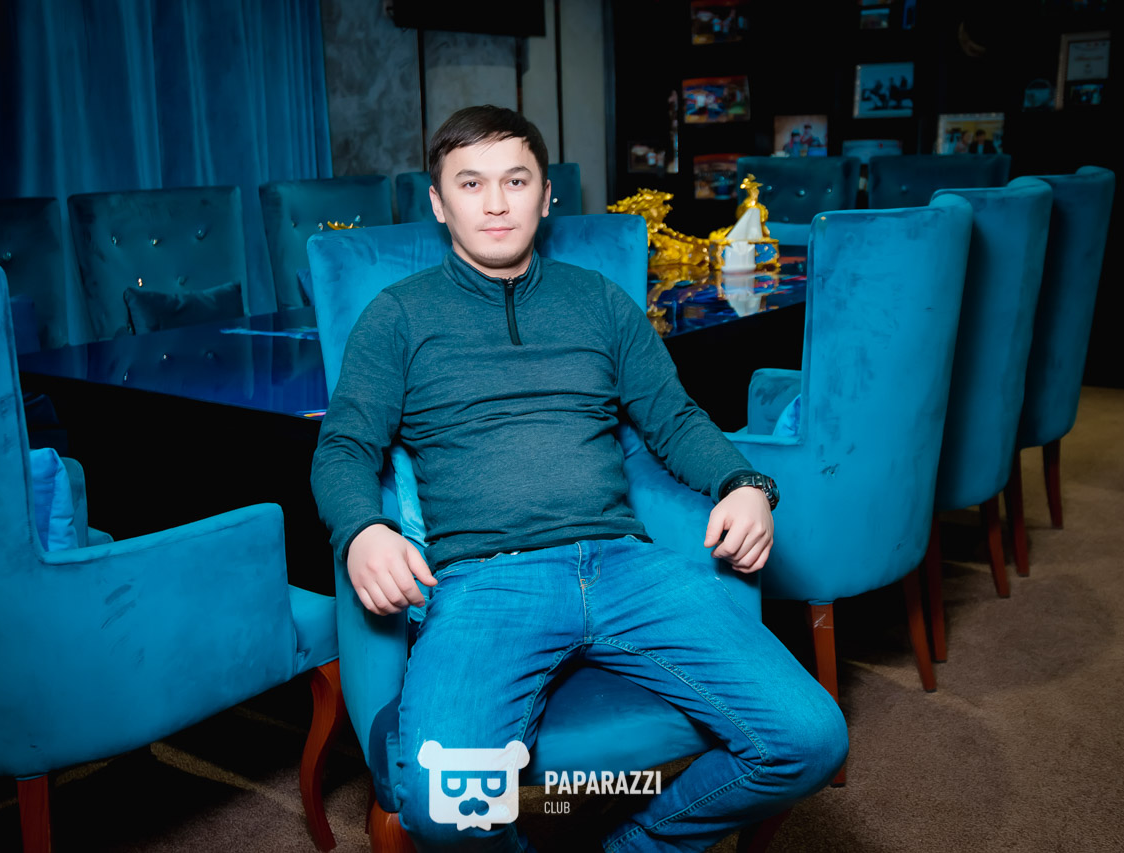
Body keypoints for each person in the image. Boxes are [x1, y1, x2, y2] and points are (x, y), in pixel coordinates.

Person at [311, 105, 848, 852]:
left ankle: (633, 845)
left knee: (810, 739)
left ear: (545, 196)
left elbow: (674, 419)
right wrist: (363, 529)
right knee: (442, 805)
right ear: (438, 202)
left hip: (627, 565)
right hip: (487, 580)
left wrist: (744, 483)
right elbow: (342, 448)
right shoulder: (397, 316)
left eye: (515, 181)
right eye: (470, 183)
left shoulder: (598, 300)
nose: (495, 203)